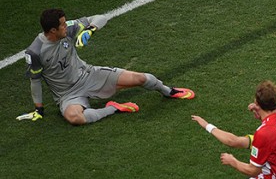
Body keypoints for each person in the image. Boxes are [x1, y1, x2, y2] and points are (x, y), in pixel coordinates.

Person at [18, 8, 195, 125]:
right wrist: (38, 109)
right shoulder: (35, 52)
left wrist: (90, 29)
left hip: (90, 76)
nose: (67, 25)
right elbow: (35, 81)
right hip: (67, 94)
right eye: (62, 24)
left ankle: (168, 91)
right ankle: (113, 108)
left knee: (141, 78)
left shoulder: (69, 29)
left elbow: (100, 17)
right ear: (53, 31)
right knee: (74, 118)